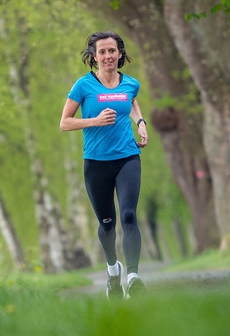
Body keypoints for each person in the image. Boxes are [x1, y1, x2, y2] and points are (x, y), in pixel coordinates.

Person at [60, 31, 148, 300]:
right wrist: (94, 121)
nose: (108, 56)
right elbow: (64, 123)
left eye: (112, 51)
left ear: (120, 53)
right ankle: (113, 270)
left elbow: (131, 103)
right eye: (102, 52)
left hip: (127, 158)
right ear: (94, 56)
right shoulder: (83, 86)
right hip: (96, 163)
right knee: (107, 224)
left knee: (129, 216)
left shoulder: (130, 84)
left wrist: (140, 123)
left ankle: (133, 277)